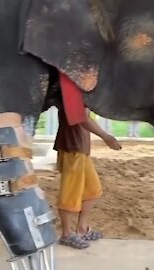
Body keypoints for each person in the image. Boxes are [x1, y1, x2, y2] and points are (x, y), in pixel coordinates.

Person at [53, 101, 122, 249]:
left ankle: (81, 229)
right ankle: (66, 234)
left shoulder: (80, 84)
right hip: (72, 147)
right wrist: (106, 137)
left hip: (80, 147)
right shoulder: (72, 84)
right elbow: (82, 117)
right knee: (70, 194)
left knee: (92, 189)